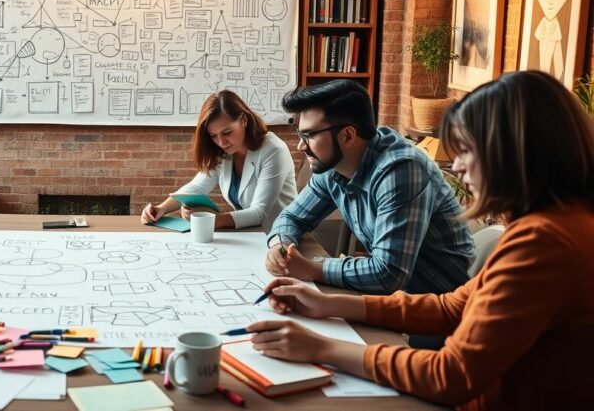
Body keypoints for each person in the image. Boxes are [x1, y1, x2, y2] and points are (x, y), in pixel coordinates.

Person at [244, 71, 594, 409]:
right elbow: (452, 307)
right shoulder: (550, 226)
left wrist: (321, 348)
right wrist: (328, 304)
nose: (457, 167)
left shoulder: (542, 242)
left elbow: (451, 375)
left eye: (466, 150)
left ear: (512, 153)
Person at [266, 80, 473, 295]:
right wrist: (280, 246)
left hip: (441, 303)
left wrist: (313, 268)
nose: (301, 146)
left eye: (309, 136)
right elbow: (292, 218)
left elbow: (388, 274)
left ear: (348, 136)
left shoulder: (400, 170)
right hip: (396, 299)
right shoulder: (333, 167)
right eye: (300, 135)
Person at [140, 90, 296, 230]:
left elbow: (259, 212)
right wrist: (161, 208)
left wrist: (209, 219)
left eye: (227, 132)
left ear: (244, 120)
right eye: (213, 136)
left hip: (282, 235)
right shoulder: (224, 151)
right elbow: (196, 187)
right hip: (250, 233)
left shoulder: (274, 150)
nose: (221, 142)